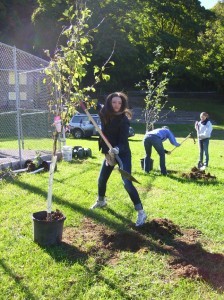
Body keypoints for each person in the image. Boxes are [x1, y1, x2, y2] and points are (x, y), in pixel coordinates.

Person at [91, 92, 147, 227]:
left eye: (120, 103)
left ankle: (141, 211)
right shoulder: (104, 112)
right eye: (114, 102)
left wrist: (117, 149)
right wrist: (82, 99)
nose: (117, 105)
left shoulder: (123, 120)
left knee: (127, 182)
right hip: (109, 154)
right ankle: (101, 201)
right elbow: (92, 103)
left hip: (122, 154)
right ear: (110, 102)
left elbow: (123, 142)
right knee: (102, 179)